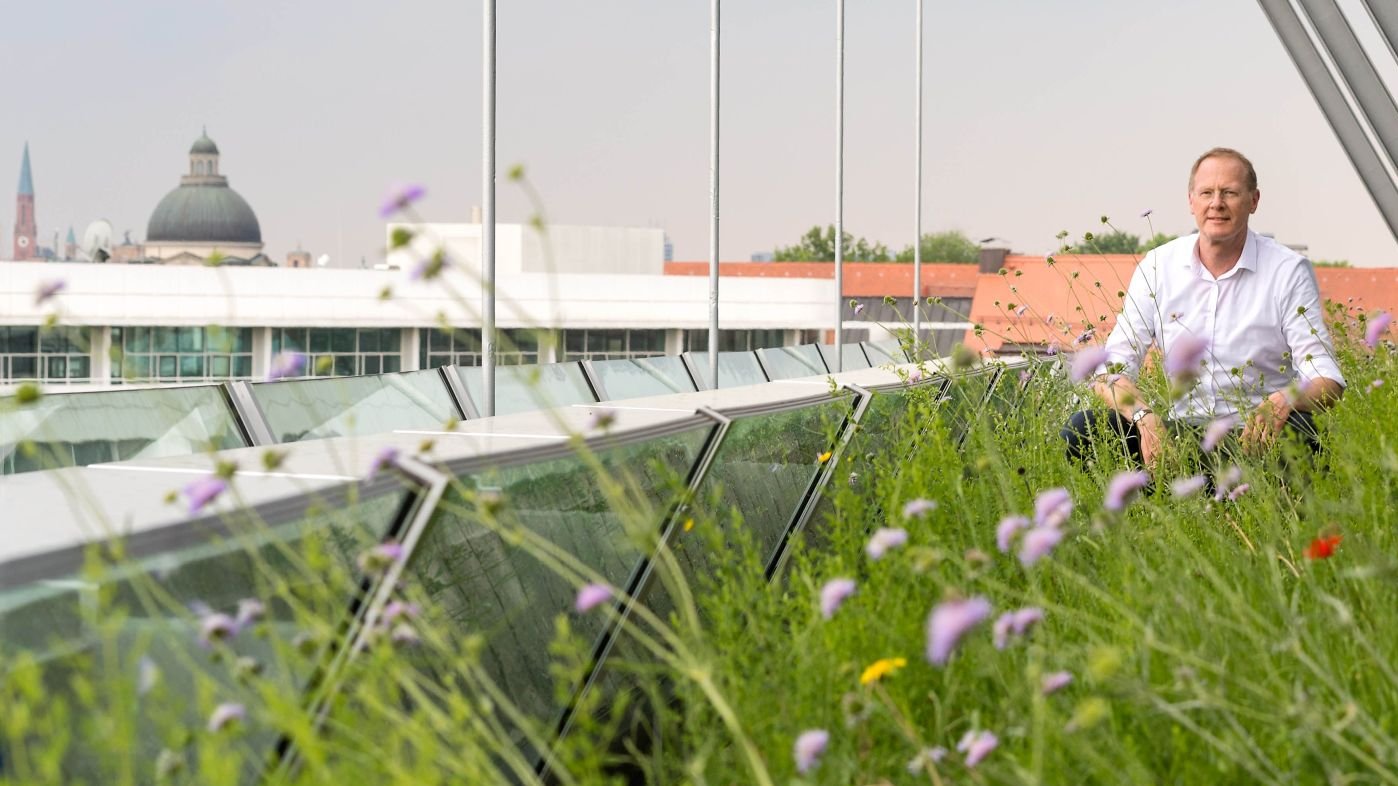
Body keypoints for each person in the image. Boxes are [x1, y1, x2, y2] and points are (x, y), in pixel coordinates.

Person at [1062, 147, 1346, 466]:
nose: (1216, 204)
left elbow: (1327, 378)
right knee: (1082, 429)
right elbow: (1110, 369)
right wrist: (1144, 418)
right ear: (1191, 201)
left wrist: (1285, 399)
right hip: (1177, 435)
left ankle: (1280, 511)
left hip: (1256, 436)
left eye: (1230, 193)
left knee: (1302, 432)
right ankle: (1129, 513)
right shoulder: (1158, 266)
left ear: (1254, 201)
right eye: (1207, 193)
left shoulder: (1287, 270)